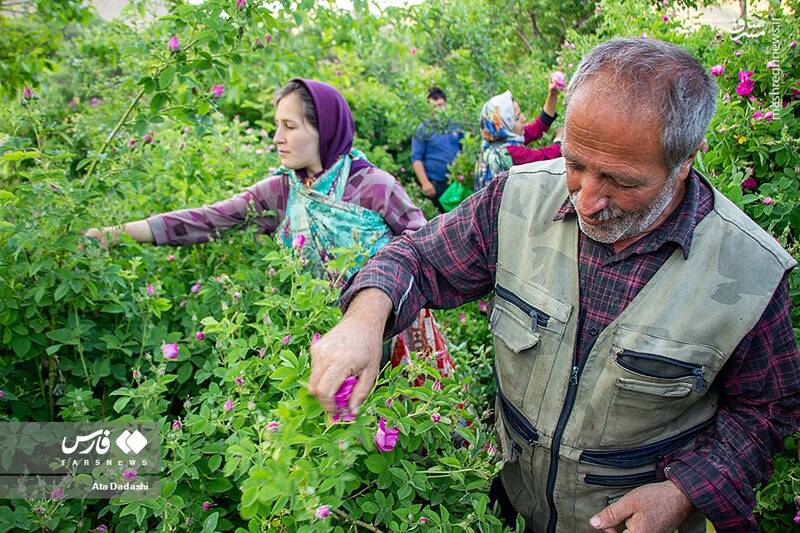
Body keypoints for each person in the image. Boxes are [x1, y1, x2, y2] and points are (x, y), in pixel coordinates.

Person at [307, 39, 799, 533]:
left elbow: (768, 409)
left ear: (688, 157)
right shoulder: (516, 199)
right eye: (575, 164)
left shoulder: (748, 272)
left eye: (622, 182)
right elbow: (418, 255)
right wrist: (364, 317)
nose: (587, 200)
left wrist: (684, 493)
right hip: (511, 503)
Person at [85, 78, 426, 272]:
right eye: (277, 125)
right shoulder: (280, 193)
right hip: (313, 337)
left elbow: (424, 247)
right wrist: (119, 233)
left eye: (289, 126)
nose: (277, 138)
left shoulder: (374, 188)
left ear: (325, 129)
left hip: (388, 340)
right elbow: (206, 221)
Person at [473, 74, 564, 191]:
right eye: (516, 118)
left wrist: (552, 94)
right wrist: (559, 140)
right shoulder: (508, 153)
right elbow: (545, 158)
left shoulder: (497, 140)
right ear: (504, 125)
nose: (523, 118)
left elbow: (538, 127)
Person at [411, 87, 463, 212]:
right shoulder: (423, 129)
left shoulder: (455, 125)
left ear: (446, 104)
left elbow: (463, 150)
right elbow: (416, 159)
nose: (439, 108)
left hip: (456, 184)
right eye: (435, 105)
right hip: (436, 184)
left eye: (441, 104)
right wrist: (425, 183)